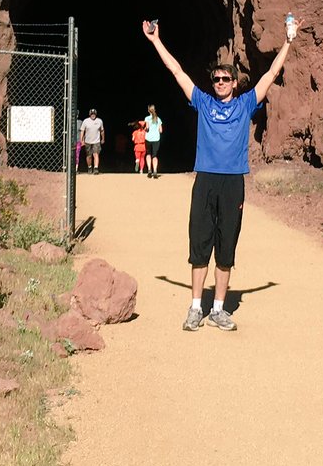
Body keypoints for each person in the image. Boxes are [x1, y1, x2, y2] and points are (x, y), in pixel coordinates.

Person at [142, 18, 297, 332]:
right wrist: (156, 40)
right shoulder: (202, 102)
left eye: (226, 79)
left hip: (232, 183)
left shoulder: (245, 104)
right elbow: (177, 72)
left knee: (226, 247)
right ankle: (195, 307)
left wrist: (289, 42)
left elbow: (271, 74)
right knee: (199, 245)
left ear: (235, 82)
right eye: (216, 79)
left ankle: (218, 309)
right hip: (206, 181)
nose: (221, 83)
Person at [79, 109, 104, 174]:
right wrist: (81, 140)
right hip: (88, 141)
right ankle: (89, 167)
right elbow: (82, 131)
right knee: (89, 155)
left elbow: (102, 131)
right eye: (92, 114)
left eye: (94, 114)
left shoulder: (99, 121)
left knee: (96, 154)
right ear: (90, 114)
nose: (93, 115)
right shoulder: (86, 121)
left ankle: (96, 168)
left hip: (96, 141)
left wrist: (103, 138)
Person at [144, 104, 164, 178]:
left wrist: (145, 129)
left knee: (148, 154)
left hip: (148, 138)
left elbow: (147, 128)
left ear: (148, 110)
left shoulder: (147, 118)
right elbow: (161, 130)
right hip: (156, 139)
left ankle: (149, 170)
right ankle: (155, 171)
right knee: (154, 155)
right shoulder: (158, 119)